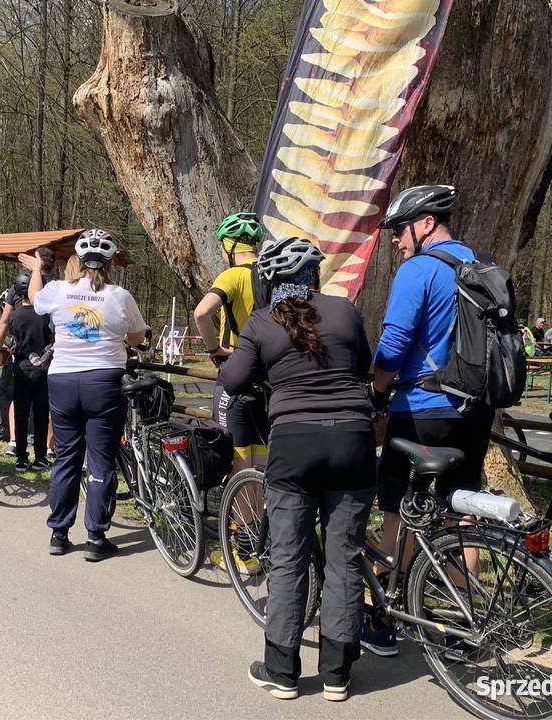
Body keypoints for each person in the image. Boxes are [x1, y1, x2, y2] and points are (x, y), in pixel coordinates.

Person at [220, 237, 376, 702]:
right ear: (314, 275)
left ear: (271, 280)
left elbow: (232, 380)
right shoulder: (344, 311)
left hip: (294, 444)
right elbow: (364, 366)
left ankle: (282, 671)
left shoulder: (262, 322)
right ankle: (337, 674)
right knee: (344, 555)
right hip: (353, 439)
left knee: (289, 558)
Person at [369, 184, 494, 656]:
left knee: (397, 510)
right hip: (476, 410)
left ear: (425, 224)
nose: (396, 241)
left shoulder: (418, 269)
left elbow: (394, 345)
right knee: (463, 512)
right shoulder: (481, 265)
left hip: (422, 409)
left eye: (399, 230)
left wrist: (378, 390)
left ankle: (382, 620)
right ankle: (468, 626)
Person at [19, 229, 146, 561]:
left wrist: (35, 269)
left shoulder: (59, 290)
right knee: (100, 459)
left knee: (66, 457)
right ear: (109, 263)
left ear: (78, 260)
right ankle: (95, 537)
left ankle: (59, 533)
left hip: (62, 379)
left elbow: (34, 300)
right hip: (104, 381)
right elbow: (136, 337)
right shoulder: (120, 296)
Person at [193, 212, 269, 475]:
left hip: (234, 372)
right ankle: (257, 516)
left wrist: (214, 348)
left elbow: (201, 313)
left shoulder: (233, 275)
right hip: (265, 373)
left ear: (230, 245)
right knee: (259, 454)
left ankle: (237, 517)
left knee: (235, 452)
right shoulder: (271, 275)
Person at [0, 270, 52, 472]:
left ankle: (21, 458)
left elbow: (10, 339)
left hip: (21, 369)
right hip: (43, 369)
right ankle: (41, 456)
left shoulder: (15, 316)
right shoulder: (46, 316)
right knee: (42, 414)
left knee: (21, 413)